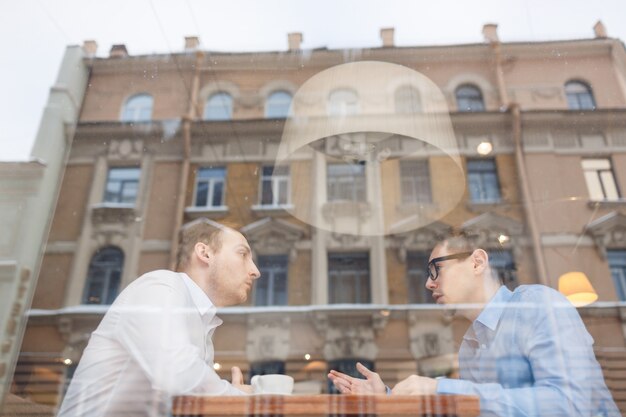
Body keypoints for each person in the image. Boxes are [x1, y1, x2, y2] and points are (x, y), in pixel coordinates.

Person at [329, 232, 619, 417]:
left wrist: (440, 389)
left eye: (436, 269)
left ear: (477, 262)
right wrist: (389, 398)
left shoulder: (538, 305)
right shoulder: (470, 346)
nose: (429, 283)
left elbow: (571, 406)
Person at [58, 218, 261, 417]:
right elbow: (178, 376)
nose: (255, 271)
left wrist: (228, 401)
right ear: (204, 253)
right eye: (243, 254)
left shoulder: (199, 321)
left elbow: (186, 401)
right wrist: (237, 399)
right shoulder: (161, 286)